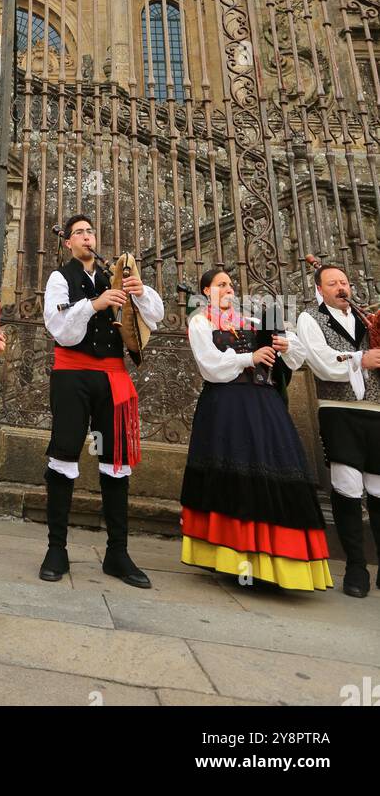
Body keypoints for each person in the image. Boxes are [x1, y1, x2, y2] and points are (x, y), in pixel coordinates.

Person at [180, 266, 332, 591]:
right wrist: (249, 357)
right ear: (206, 292)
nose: (228, 289)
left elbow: (293, 356)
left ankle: (276, 564)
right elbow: (209, 365)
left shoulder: (251, 319)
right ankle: (234, 561)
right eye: (221, 285)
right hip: (227, 406)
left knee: (274, 472)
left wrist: (285, 345)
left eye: (231, 285)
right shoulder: (201, 321)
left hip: (264, 405)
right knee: (235, 476)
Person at [39, 215, 164, 588]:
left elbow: (154, 318)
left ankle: (117, 553)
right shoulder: (60, 278)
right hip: (72, 377)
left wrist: (139, 292)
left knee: (115, 460)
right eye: (79, 233)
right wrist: (95, 304)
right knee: (63, 455)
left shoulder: (117, 274)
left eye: (90, 232)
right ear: (68, 243)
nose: (86, 237)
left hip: (113, 379)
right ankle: (56, 549)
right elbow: (57, 325)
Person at [293, 263, 380, 597]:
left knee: (377, 488)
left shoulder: (366, 320)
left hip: (376, 411)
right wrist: (361, 359)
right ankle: (356, 568)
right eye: (333, 283)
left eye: (344, 282)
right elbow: (320, 360)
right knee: (347, 485)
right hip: (339, 410)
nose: (342, 288)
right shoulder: (310, 318)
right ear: (320, 290)